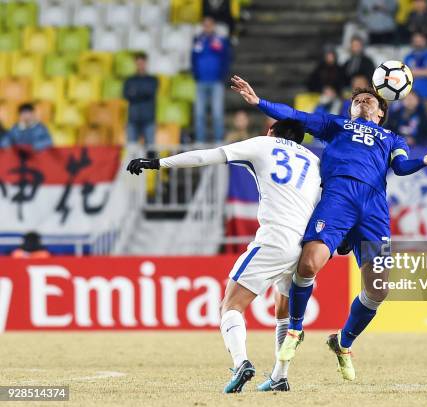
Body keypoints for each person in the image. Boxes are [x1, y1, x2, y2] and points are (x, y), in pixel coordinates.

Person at [230, 75, 427, 381]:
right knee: (308, 263)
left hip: (374, 210)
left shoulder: (392, 139)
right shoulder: (336, 125)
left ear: (380, 113)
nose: (362, 103)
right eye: (357, 101)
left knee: (378, 290)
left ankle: (343, 342)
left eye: (369, 101)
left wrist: (424, 161)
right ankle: (296, 328)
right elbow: (295, 116)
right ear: (351, 110)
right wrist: (259, 103)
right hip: (337, 199)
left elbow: (401, 167)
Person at [127, 119, 320, 393]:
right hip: (306, 246)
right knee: (283, 312)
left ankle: (241, 363)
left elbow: (208, 156)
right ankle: (279, 376)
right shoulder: (313, 160)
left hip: (275, 240)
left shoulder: (263, 144)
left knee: (230, 306)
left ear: (272, 132)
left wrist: (159, 163)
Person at [192, 16, 232, 143]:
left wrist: (222, 76)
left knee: (217, 114)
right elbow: (193, 59)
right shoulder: (198, 40)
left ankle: (218, 141)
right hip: (201, 81)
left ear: (213, 26)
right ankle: (199, 141)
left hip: (216, 82)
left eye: (209, 24)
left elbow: (226, 59)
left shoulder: (220, 40)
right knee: (199, 114)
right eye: (205, 24)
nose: (207, 27)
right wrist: (196, 75)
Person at [123, 53, 158, 145]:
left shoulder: (152, 80)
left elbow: (150, 92)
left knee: (150, 148)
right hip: (133, 118)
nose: (140, 66)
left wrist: (135, 93)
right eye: (138, 63)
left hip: (148, 118)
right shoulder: (129, 80)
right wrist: (142, 92)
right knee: (131, 148)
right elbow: (126, 95)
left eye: (142, 63)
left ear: (146, 63)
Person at [403, 32, 427, 113]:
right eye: (416, 41)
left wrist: (413, 72)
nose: (417, 43)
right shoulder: (408, 56)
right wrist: (423, 71)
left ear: (424, 41)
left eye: (420, 40)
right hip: (411, 96)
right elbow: (405, 74)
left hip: (426, 96)